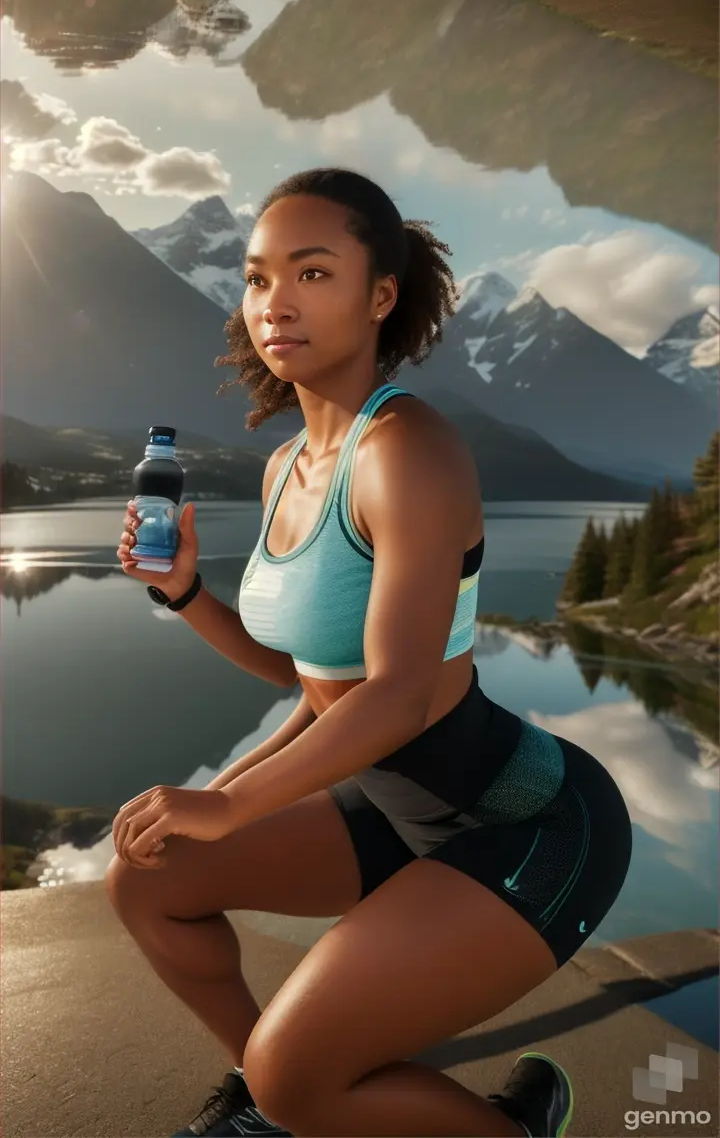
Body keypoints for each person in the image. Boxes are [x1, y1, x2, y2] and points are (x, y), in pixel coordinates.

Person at [110, 167, 633, 1138]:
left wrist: (227, 804)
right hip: (393, 808)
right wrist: (184, 594)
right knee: (151, 880)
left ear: (379, 296)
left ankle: (507, 1123)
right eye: (260, 278)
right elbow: (314, 681)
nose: (278, 303)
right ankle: (269, 1106)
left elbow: (392, 700)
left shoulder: (407, 451)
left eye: (313, 274)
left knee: (300, 1072)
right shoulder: (286, 467)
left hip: (526, 828)